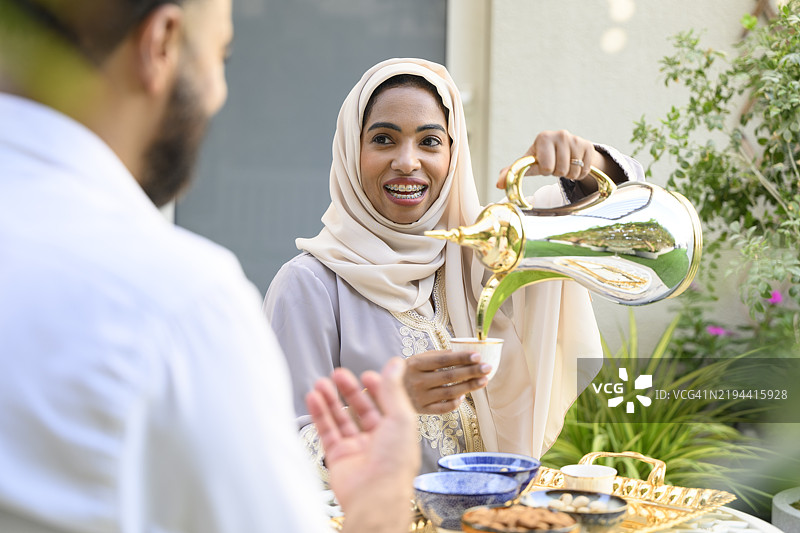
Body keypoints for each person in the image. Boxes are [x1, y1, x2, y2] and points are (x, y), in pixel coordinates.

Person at [0, 1, 419, 532]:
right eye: (220, 56)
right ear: (162, 43)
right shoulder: (179, 305)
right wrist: (379, 508)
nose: (219, 94)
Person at [263, 58, 645, 476]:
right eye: (384, 140)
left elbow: (627, 226)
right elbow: (279, 455)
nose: (407, 161)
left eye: (429, 142)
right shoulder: (310, 286)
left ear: (453, 152)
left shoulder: (484, 258)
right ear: (352, 151)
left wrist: (585, 166)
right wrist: (390, 401)